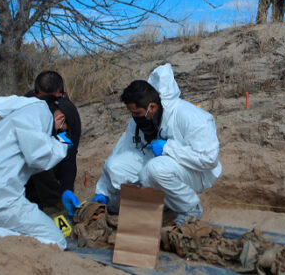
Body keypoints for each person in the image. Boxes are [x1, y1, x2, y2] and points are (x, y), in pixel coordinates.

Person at [95, 63, 222, 225]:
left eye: (137, 113)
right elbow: (120, 151)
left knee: (154, 169)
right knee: (115, 166)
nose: (134, 117)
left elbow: (209, 159)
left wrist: (168, 148)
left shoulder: (191, 116)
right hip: (164, 167)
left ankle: (190, 209)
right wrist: (103, 192)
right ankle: (162, 204)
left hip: (198, 173)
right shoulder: (140, 119)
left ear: (152, 107)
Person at [0, 95, 75, 250]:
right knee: (56, 240)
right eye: (61, 127)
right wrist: (63, 142)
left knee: (20, 225)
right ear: (60, 117)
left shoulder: (18, 114)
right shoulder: (37, 115)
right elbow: (41, 158)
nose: (58, 131)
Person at [23, 71, 82, 217]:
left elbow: (69, 153)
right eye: (44, 98)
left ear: (63, 94)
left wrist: (67, 189)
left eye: (53, 99)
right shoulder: (26, 104)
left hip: (49, 162)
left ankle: (53, 203)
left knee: (44, 157)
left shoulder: (68, 112)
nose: (48, 104)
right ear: (36, 93)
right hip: (24, 162)